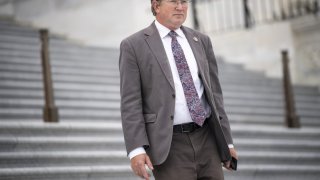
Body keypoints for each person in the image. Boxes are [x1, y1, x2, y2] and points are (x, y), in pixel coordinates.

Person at [119, 0, 238, 179]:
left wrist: (227, 142)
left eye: (184, 2)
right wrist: (136, 149)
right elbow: (131, 103)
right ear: (156, 5)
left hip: (207, 139)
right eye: (173, 1)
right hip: (169, 146)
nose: (180, 7)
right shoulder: (133, 46)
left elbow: (215, 95)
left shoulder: (202, 41)